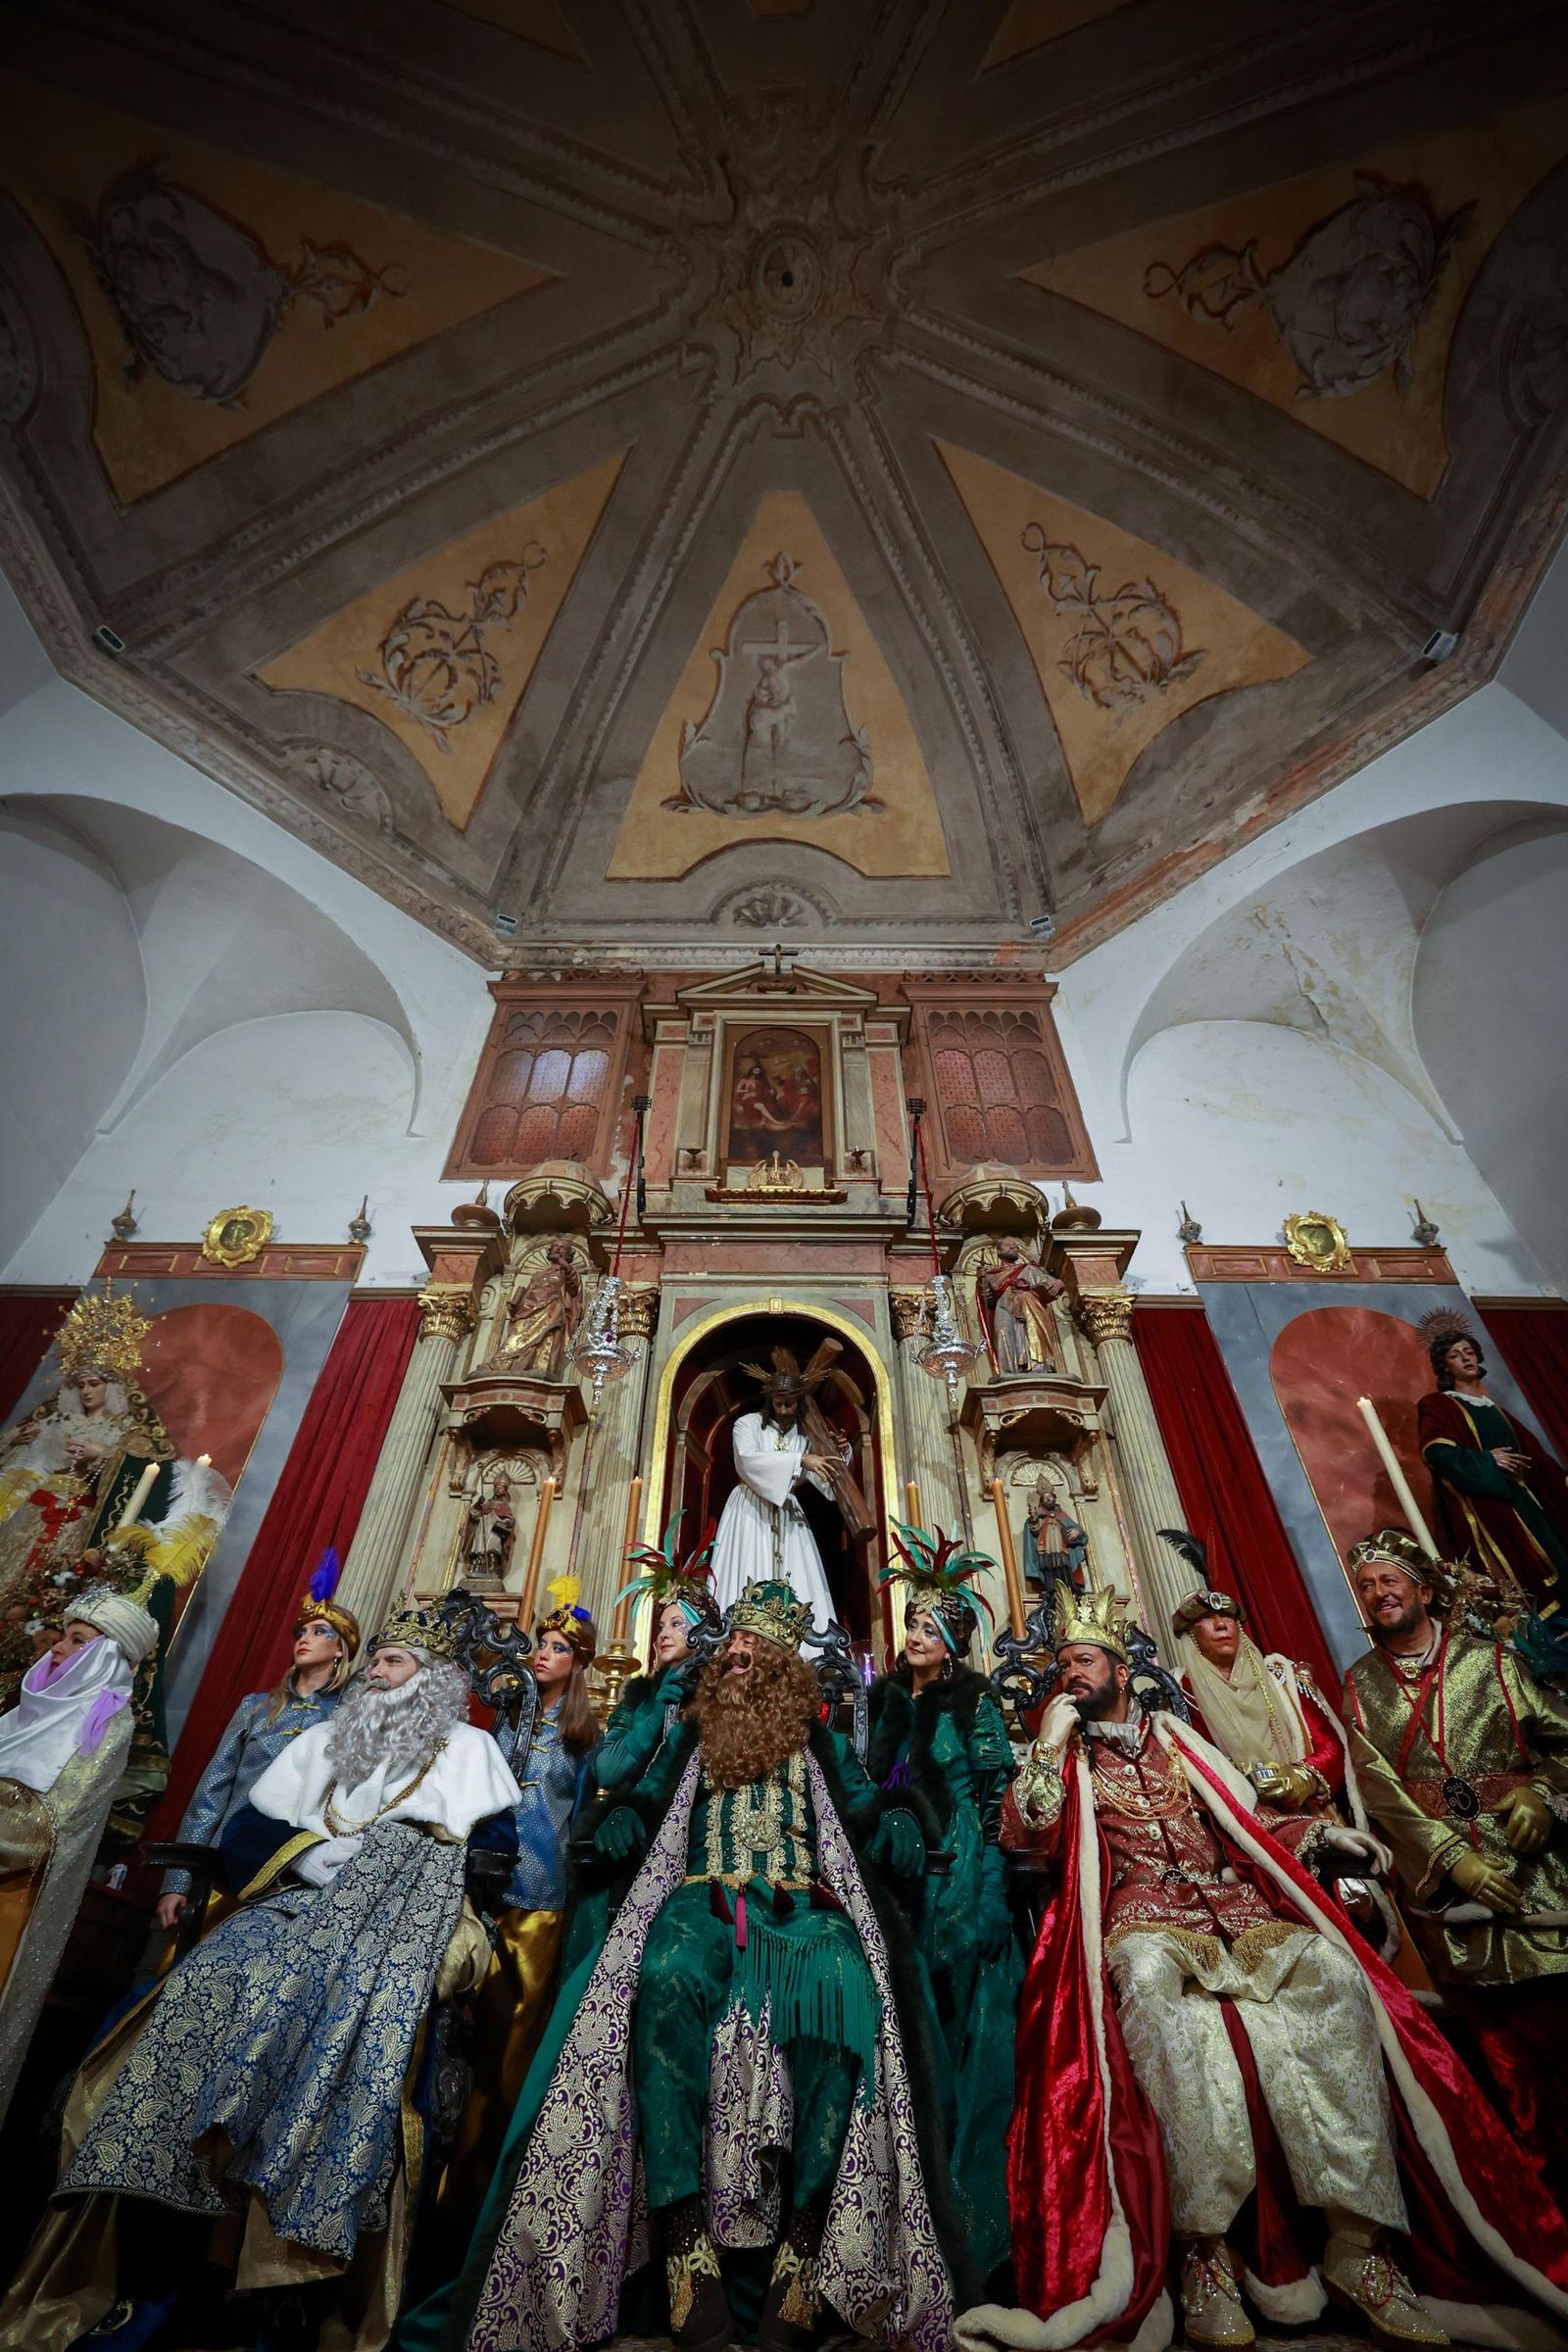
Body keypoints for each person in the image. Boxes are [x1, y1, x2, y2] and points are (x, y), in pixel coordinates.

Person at [973, 1584, 1568, 2352]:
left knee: (1333, 1977)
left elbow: (1247, 1821)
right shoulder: (1064, 1753)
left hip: (1237, 1914)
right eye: (1062, 1666)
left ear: (1121, 1670)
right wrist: (1050, 1739)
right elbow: (1033, 1833)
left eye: (1083, 1661)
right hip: (1141, 1919)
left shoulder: (1181, 1740)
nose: (1070, 1674)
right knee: (1156, 2000)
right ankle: (1205, 2256)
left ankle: (1359, 2248)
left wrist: (1322, 1842)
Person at [409, 1581, 961, 2352]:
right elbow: (642, 1791)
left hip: (803, 1909)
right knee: (663, 1975)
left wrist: (901, 1817)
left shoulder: (820, 1740)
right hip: (700, 1902)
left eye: (752, 1651)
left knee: (844, 1991)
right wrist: (624, 1819)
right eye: (729, 1649)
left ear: (782, 1669)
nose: (735, 1658)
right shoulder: (693, 1735)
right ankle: (683, 2244)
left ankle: (803, 2251)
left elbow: (866, 1804)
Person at [0, 1603, 520, 2352]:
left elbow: (488, 1856)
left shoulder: (471, 1751)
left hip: (396, 1927)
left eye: (393, 1663)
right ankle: (174, 2223)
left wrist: (401, 1874)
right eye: (373, 1660)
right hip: (291, 1903)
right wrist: (306, 1855)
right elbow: (248, 1827)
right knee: (204, 1988)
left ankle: (278, 2266)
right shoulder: (322, 1737)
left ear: (435, 1683)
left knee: (329, 2003)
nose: (374, 1671)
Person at [1345, 1528, 1568, 2200]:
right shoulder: (1359, 1685)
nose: (1379, 1593)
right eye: (1367, 1585)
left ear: (1421, 1588)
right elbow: (1375, 1783)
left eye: (1390, 1580)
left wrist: (1546, 1796)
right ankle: (1549, 2211)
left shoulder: (1493, 1659)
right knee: (1506, 2072)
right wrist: (1450, 1860)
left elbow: (1562, 1739)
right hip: (1455, 1903)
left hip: (1538, 1882)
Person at [867, 1525, 1018, 2289]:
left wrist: (989, 1891)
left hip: (958, 1867)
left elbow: (997, 1797)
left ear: (955, 1641)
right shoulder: (885, 1700)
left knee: (962, 2019)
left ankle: (968, 2214)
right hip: (895, 1874)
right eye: (913, 1623)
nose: (916, 1635)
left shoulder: (974, 1699)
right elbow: (865, 1785)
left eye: (931, 1626)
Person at [443, 1592, 601, 2208]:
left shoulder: (586, 1736)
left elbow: (583, 1820)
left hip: (541, 1897)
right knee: (461, 2029)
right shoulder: (507, 1721)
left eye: (559, 1649)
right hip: (480, 1889)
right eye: (541, 1644)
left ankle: (487, 2189)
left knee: (512, 2041)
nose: (543, 1655)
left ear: (579, 1665)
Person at [0, 1587, 160, 2126]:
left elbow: (48, 1826)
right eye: (62, 1636)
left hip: (11, 1896)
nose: (58, 1648)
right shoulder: (23, 1713)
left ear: (105, 1657)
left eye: (77, 1640)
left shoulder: (107, 1722)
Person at [153, 1550, 360, 1933]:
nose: (304, 1639)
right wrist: (179, 1880)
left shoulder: (348, 1715)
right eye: (301, 1632)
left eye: (319, 1632)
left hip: (296, 1860)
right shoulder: (256, 1707)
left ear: (340, 1649)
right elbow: (211, 1792)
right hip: (229, 1854)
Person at [710, 1341, 870, 1633]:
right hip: (748, 1509)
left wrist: (840, 1453)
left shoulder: (805, 1434)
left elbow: (825, 1483)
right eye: (778, 1402)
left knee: (797, 1580)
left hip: (787, 1512)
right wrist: (800, 1459)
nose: (784, 1409)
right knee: (746, 1573)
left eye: (790, 1403)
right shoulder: (747, 1425)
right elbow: (748, 1459)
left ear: (799, 1402)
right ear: (769, 1398)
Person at [1418, 1310, 1568, 1604]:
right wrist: (1488, 1461)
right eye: (1455, 1355)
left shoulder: (1495, 1409)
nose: (1466, 1358)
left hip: (1527, 1503)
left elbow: (1537, 1459)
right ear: (1444, 1366)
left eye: (1469, 1352)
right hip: (1492, 1507)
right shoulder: (1440, 1405)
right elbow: (1437, 1452)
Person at [597, 1516, 721, 1798]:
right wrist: (654, 1715)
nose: (664, 1634)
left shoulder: (720, 1695)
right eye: (661, 1626)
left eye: (677, 1624)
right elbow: (606, 1771)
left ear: (702, 1633)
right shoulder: (637, 1699)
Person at [976, 1240, 1066, 1379]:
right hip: (1004, 1307)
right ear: (999, 1252)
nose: (1013, 1247)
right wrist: (981, 1282)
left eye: (1016, 1246)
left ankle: (1038, 1368)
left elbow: (1050, 1282)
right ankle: (1008, 1374)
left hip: (1029, 1306)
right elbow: (987, 1299)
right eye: (1008, 1245)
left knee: (1031, 1333)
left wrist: (1059, 1282)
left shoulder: (1028, 1269)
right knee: (1002, 1332)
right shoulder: (991, 1275)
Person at [496, 1239, 583, 1379]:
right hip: (528, 1310)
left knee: (545, 1338)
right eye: (555, 1247)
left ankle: (538, 1366)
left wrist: (565, 1266)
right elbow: (530, 1292)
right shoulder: (538, 1275)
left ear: (568, 1254)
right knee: (517, 1334)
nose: (558, 1249)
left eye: (562, 1248)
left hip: (550, 1310)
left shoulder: (567, 1273)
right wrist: (516, 1305)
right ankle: (502, 1365)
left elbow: (574, 1287)